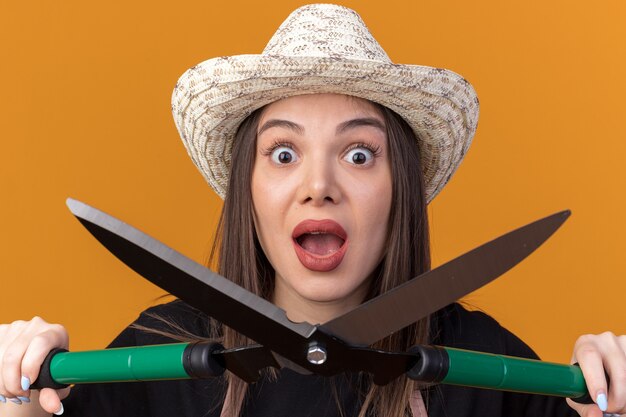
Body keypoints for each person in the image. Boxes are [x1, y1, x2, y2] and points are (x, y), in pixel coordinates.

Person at [0, 4, 623, 417]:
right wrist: (17, 400)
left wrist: (609, 396)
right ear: (247, 189)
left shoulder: (491, 369)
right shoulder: (156, 357)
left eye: (358, 153)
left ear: (399, 188)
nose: (318, 185)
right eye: (282, 153)